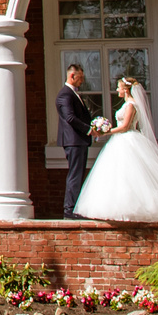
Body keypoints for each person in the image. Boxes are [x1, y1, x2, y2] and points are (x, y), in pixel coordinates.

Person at [74, 75, 158, 223]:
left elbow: (125, 127)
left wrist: (106, 132)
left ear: (126, 90)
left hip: (128, 139)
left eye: (119, 87)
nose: (117, 89)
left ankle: (133, 210)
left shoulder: (131, 104)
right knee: (118, 175)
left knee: (130, 174)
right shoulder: (127, 104)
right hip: (121, 140)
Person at [55, 61, 105, 218]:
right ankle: (70, 210)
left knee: (78, 174)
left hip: (79, 141)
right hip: (73, 141)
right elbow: (70, 117)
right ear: (72, 75)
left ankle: (74, 208)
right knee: (75, 175)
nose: (82, 81)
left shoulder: (73, 94)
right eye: (80, 77)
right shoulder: (65, 94)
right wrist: (89, 129)